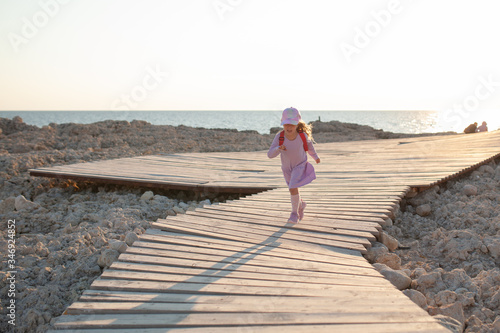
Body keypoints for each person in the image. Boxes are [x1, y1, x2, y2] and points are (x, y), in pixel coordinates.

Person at [267, 107, 321, 223]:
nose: (288, 127)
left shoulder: (302, 136)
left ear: (297, 124)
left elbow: (310, 147)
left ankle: (294, 214)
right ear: (282, 124)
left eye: (292, 124)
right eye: (286, 124)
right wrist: (278, 148)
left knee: (292, 187)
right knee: (293, 189)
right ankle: (301, 205)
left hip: (300, 165)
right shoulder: (279, 137)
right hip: (286, 169)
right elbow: (270, 155)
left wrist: (315, 157)